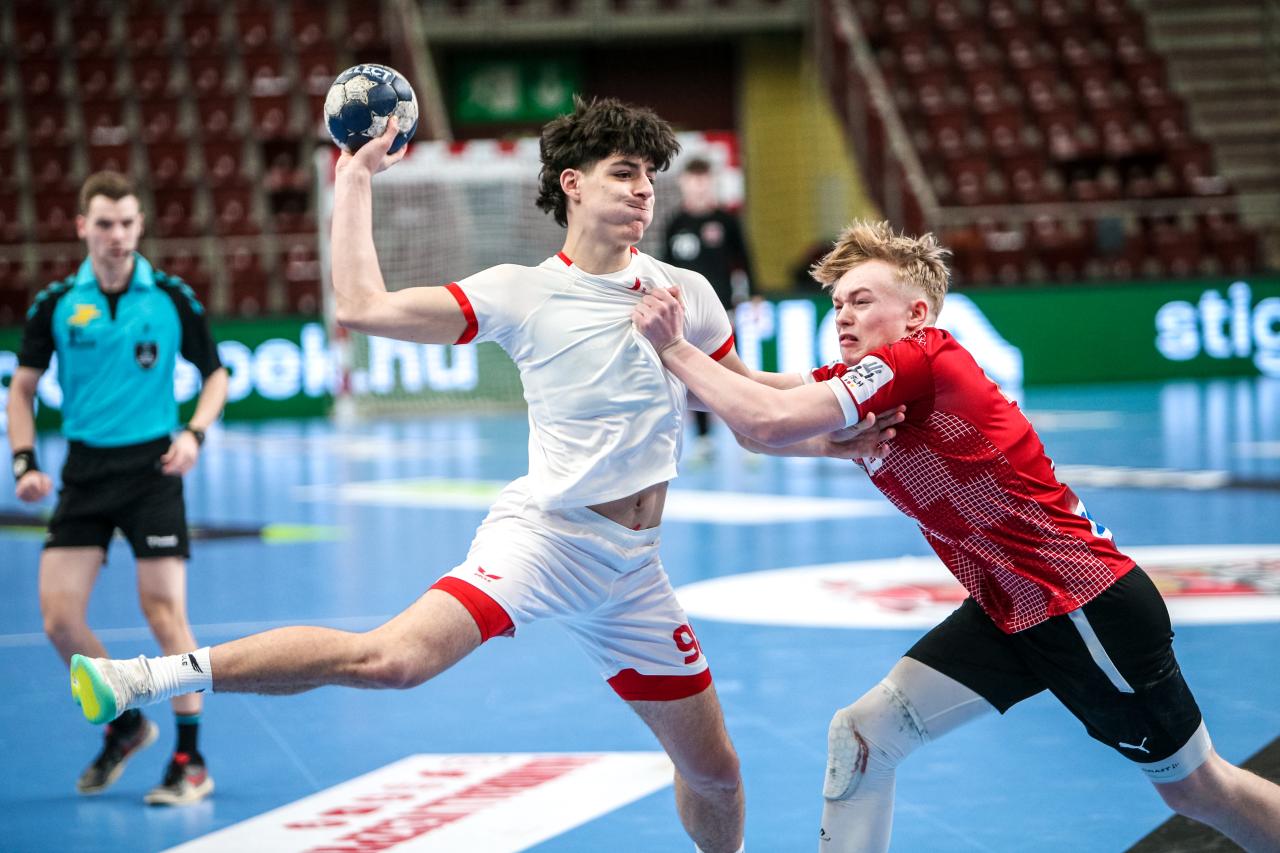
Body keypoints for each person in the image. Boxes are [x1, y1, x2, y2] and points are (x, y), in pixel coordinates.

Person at [67, 100, 894, 853]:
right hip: (547, 542)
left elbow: (748, 399)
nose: (644, 189)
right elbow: (361, 306)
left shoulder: (685, 292)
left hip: (635, 572)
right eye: (623, 172)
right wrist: (354, 176)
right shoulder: (521, 293)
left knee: (716, 772)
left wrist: (834, 431)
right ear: (572, 184)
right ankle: (146, 676)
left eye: (649, 174)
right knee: (393, 659)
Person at [632, 220, 1280, 852]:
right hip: (1007, 609)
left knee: (1198, 789)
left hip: (1081, 605)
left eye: (862, 301)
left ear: (916, 314)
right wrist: (639, 362)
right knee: (862, 736)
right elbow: (747, 397)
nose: (843, 316)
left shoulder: (920, 359)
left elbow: (767, 420)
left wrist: (675, 347)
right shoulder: (861, 379)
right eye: (837, 304)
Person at [8, 171, 228, 805]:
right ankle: (127, 722)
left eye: (128, 222)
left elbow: (215, 374)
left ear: (140, 225)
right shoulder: (56, 303)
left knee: (164, 613)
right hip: (84, 472)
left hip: (153, 471)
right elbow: (22, 389)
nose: (118, 235)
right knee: (58, 620)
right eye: (105, 223)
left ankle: (190, 758)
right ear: (83, 227)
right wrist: (24, 462)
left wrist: (195, 434)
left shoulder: (170, 297)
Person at [661, 156, 755, 461]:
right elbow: (665, 270)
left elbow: (745, 260)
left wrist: (754, 296)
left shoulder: (726, 221)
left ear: (711, 182)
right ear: (683, 183)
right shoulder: (675, 224)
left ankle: (749, 432)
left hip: (725, 312)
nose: (699, 186)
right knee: (694, 375)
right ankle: (702, 440)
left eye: (704, 180)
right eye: (694, 180)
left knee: (733, 372)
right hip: (687, 316)